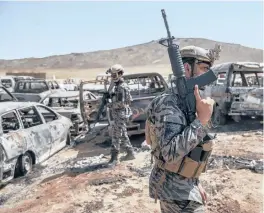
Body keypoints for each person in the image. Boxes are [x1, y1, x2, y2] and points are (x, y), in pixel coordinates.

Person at [145, 45, 221, 213]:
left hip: (184, 187)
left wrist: (194, 181)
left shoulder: (188, 99)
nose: (209, 76)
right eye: (204, 68)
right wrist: (202, 120)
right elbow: (170, 154)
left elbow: (190, 148)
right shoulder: (169, 103)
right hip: (174, 192)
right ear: (186, 68)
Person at [107, 64, 135, 165]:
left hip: (120, 114)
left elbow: (121, 103)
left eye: (114, 75)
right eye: (111, 76)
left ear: (120, 74)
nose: (112, 78)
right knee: (122, 134)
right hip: (118, 114)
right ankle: (130, 153)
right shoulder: (117, 86)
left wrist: (110, 105)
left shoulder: (121, 87)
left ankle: (114, 158)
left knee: (116, 135)